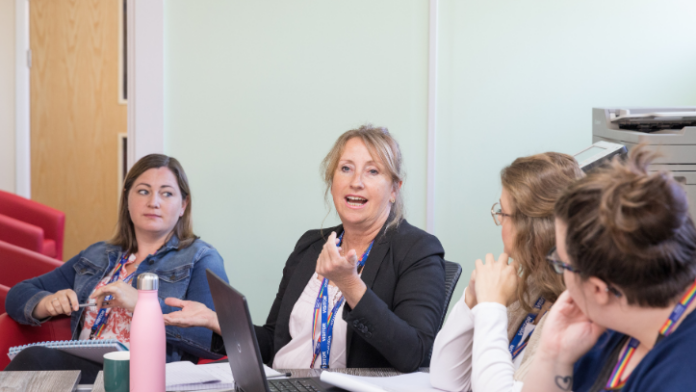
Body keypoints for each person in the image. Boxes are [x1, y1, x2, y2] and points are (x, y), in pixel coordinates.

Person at [164, 124, 446, 372]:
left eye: (372, 171)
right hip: (285, 383)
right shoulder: (310, 245)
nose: (356, 182)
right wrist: (218, 321)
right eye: (346, 168)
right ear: (332, 180)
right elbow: (274, 343)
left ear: (394, 188)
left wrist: (349, 284)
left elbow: (413, 353)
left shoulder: (418, 250)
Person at [5, 154, 228, 383]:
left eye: (167, 193)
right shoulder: (98, 254)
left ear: (183, 205)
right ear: (127, 199)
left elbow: (210, 339)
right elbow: (18, 294)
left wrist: (143, 304)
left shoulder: (201, 258)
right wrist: (47, 303)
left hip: (149, 376)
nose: (154, 202)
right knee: (35, 359)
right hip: (89, 367)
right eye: (143, 191)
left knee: (37, 358)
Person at [521, 146, 696, 392]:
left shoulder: (681, 379)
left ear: (598, 289)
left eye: (561, 263)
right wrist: (553, 354)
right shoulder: (607, 327)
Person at [430, 152, 583, 392]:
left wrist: (491, 307)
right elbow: (445, 379)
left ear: (532, 227)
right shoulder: (531, 284)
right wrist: (471, 302)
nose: (500, 221)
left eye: (503, 213)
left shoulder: (577, 310)